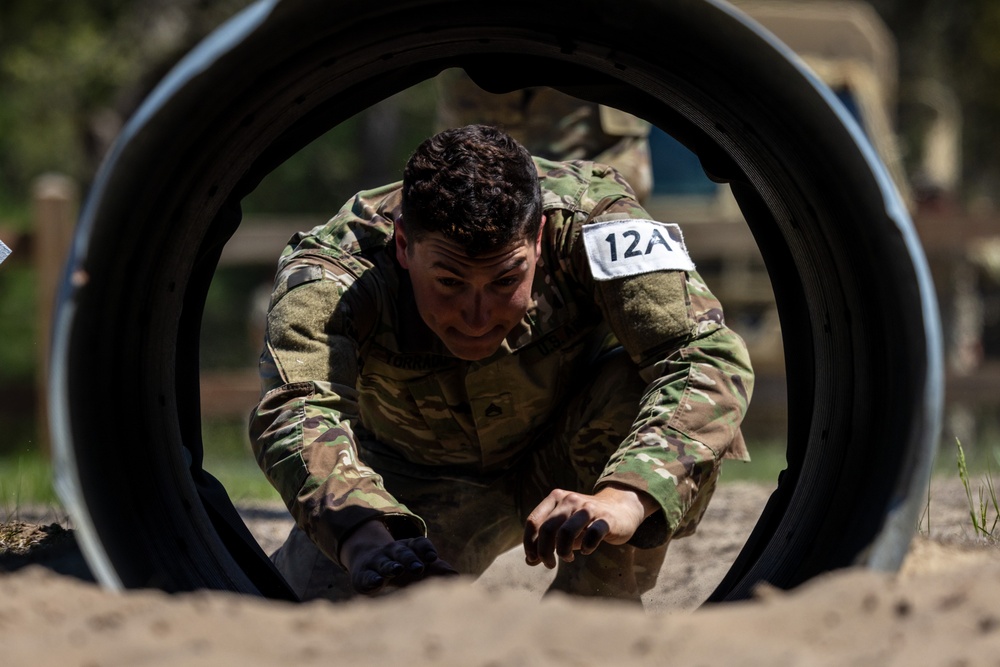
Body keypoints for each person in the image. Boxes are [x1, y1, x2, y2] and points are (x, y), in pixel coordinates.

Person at [249, 124, 753, 604]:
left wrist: (626, 496)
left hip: (576, 457)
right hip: (407, 487)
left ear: (537, 239)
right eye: (448, 282)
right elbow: (297, 409)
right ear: (404, 244)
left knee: (635, 386)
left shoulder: (595, 221)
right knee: (310, 631)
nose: (476, 317)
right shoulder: (334, 272)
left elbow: (704, 356)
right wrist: (361, 534)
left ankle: (593, 619)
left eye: (505, 281)